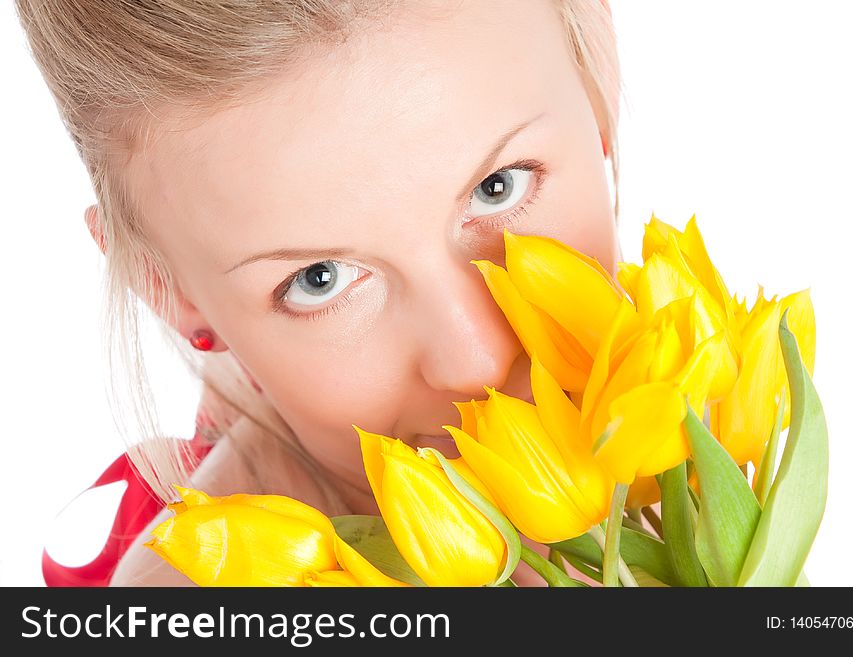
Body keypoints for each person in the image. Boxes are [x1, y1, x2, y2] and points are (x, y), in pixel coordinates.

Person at [16, 0, 622, 586]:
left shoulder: (710, 409)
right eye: (319, 279)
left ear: (597, 76)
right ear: (168, 288)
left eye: (499, 186)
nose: (477, 360)